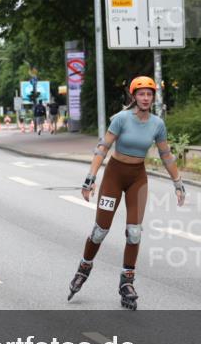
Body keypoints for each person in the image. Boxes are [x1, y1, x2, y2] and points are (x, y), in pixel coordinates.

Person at [67, 76, 185, 309]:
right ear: (134, 96)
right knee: (100, 231)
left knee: (134, 232)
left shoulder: (157, 124)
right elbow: (103, 148)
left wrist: (178, 183)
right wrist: (90, 179)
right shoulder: (121, 118)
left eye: (149, 94)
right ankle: (84, 267)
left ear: (153, 97)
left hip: (137, 179)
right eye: (141, 94)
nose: (145, 98)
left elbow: (166, 155)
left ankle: (127, 282)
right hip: (114, 176)